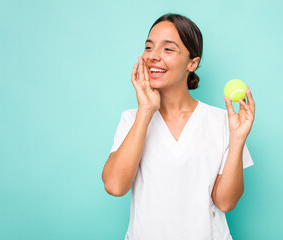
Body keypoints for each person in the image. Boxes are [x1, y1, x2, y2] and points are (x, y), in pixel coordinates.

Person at [102, 13, 256, 240]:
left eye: (168, 49)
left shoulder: (223, 121)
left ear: (192, 63)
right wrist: (145, 112)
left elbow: (225, 202)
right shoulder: (131, 119)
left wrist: (238, 140)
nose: (153, 56)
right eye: (149, 47)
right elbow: (115, 186)